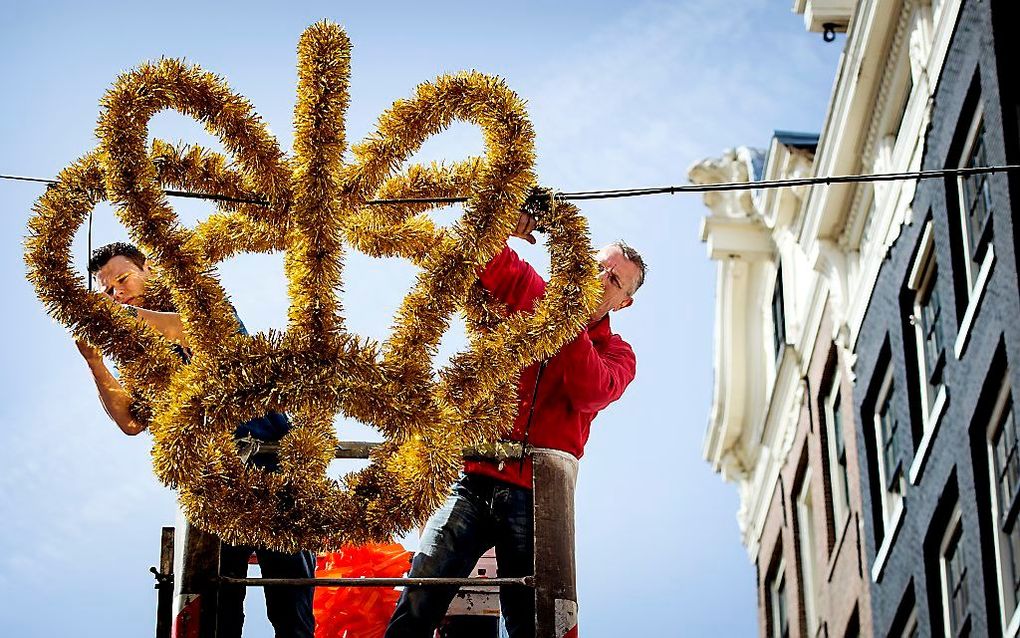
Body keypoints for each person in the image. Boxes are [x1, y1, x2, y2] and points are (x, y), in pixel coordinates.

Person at [385, 212, 645, 638]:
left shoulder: (619, 354)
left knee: (535, 618)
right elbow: (479, 251)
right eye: (596, 265)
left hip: (537, 496)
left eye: (614, 281)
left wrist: (562, 317)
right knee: (422, 585)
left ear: (624, 303)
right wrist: (504, 218)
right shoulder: (533, 289)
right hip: (474, 477)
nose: (599, 278)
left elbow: (588, 391)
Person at [75, 242, 316, 638]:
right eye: (108, 292)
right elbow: (132, 422)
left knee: (290, 602)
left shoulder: (199, 301)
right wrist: (95, 362)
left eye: (122, 279)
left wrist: (121, 317)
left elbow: (195, 332)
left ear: (148, 269)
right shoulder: (142, 354)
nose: (117, 293)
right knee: (218, 612)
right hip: (213, 483)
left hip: (273, 468)